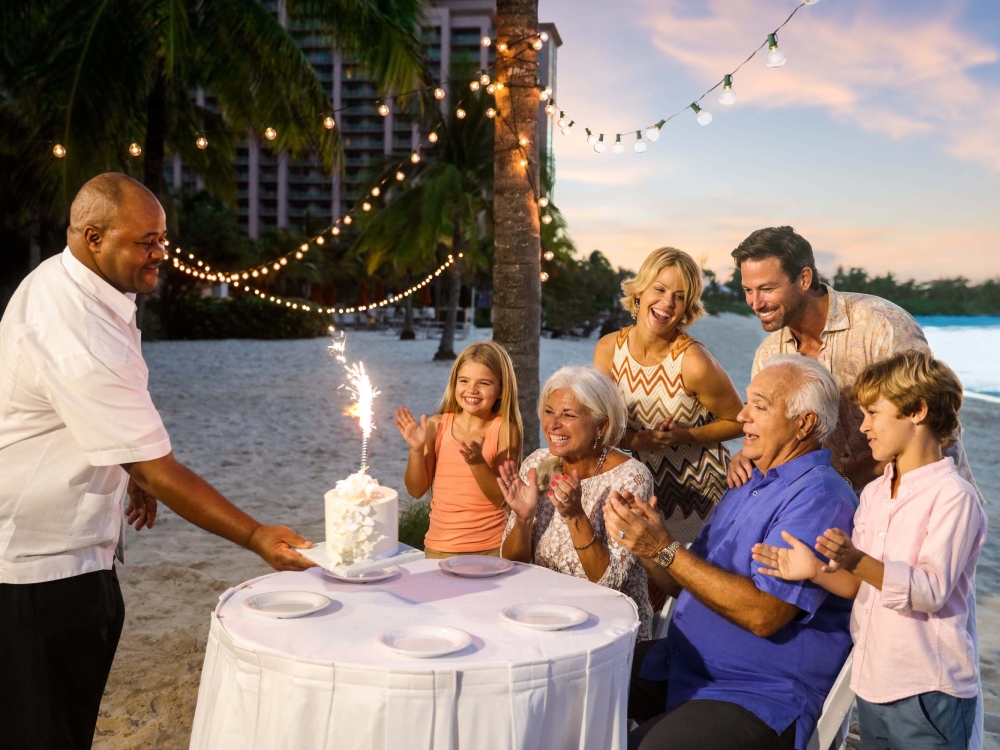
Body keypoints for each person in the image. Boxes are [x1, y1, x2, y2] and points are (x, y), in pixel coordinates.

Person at [0, 173, 315, 749]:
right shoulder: (69, 322)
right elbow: (155, 466)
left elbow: (108, 423)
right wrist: (256, 536)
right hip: (38, 568)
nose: (160, 254)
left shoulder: (89, 288)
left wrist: (123, 465)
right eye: (146, 241)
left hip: (76, 549)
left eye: (163, 239)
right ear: (93, 237)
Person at [605, 355, 857, 750]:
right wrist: (645, 544)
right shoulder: (748, 483)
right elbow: (684, 584)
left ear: (804, 423)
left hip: (756, 693)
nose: (742, 416)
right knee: (572, 682)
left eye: (760, 406)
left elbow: (764, 614)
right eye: (746, 403)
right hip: (685, 664)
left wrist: (666, 548)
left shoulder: (819, 497)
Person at [752, 350, 984, 750]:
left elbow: (928, 592)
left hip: (928, 690)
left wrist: (857, 560)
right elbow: (861, 586)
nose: (864, 428)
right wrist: (815, 569)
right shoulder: (875, 492)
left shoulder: (953, 497)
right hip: (872, 681)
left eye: (874, 413)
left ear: (918, 411)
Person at [726, 225, 980, 498]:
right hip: (840, 506)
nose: (755, 302)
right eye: (748, 290)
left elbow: (932, 422)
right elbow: (774, 427)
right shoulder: (770, 354)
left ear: (804, 278)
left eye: (766, 288)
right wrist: (750, 454)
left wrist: (851, 478)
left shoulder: (880, 325)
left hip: (924, 496)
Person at [594, 247, 743, 546]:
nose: (667, 302)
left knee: (682, 590)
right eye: (659, 289)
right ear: (640, 292)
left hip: (697, 502)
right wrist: (633, 440)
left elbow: (738, 422)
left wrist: (681, 436)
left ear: (687, 307)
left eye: (679, 296)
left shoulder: (694, 361)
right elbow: (598, 423)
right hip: (632, 495)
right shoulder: (609, 349)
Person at [498, 365, 655, 639]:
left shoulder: (631, 478)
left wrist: (575, 517)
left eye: (568, 415)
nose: (553, 424)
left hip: (606, 628)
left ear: (600, 425)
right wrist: (522, 519)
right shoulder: (537, 463)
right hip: (541, 617)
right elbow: (512, 565)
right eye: (549, 412)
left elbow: (610, 583)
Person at [395, 341, 522, 558]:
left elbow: (501, 499)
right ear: (454, 384)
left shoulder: (505, 430)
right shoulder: (437, 426)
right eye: (464, 381)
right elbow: (416, 491)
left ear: (501, 390)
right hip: (440, 548)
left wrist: (478, 464)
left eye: (484, 383)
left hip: (491, 548)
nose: (472, 390)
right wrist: (416, 450)